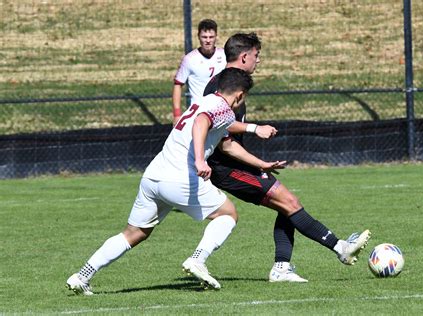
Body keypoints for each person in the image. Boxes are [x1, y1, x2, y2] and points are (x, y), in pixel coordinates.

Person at [66, 68, 284, 294]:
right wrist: (200, 160)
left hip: (154, 175)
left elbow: (226, 142)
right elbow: (202, 123)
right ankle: (197, 260)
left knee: (135, 232)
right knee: (228, 214)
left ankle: (82, 275)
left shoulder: (204, 101)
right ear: (239, 95)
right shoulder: (220, 109)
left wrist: (260, 160)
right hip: (180, 177)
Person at [202, 32, 371, 283]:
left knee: (288, 204)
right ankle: (341, 248)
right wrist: (255, 137)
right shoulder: (219, 87)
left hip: (237, 163)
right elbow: (221, 136)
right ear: (245, 56)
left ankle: (282, 267)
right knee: (288, 202)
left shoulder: (230, 83)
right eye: (257, 56)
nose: (258, 61)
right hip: (225, 168)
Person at [172, 19, 226, 125]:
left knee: (226, 141)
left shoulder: (224, 55)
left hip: (220, 111)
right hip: (199, 113)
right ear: (198, 37)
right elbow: (178, 85)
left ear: (216, 37)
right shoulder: (190, 59)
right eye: (204, 37)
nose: (208, 40)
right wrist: (177, 114)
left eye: (211, 37)